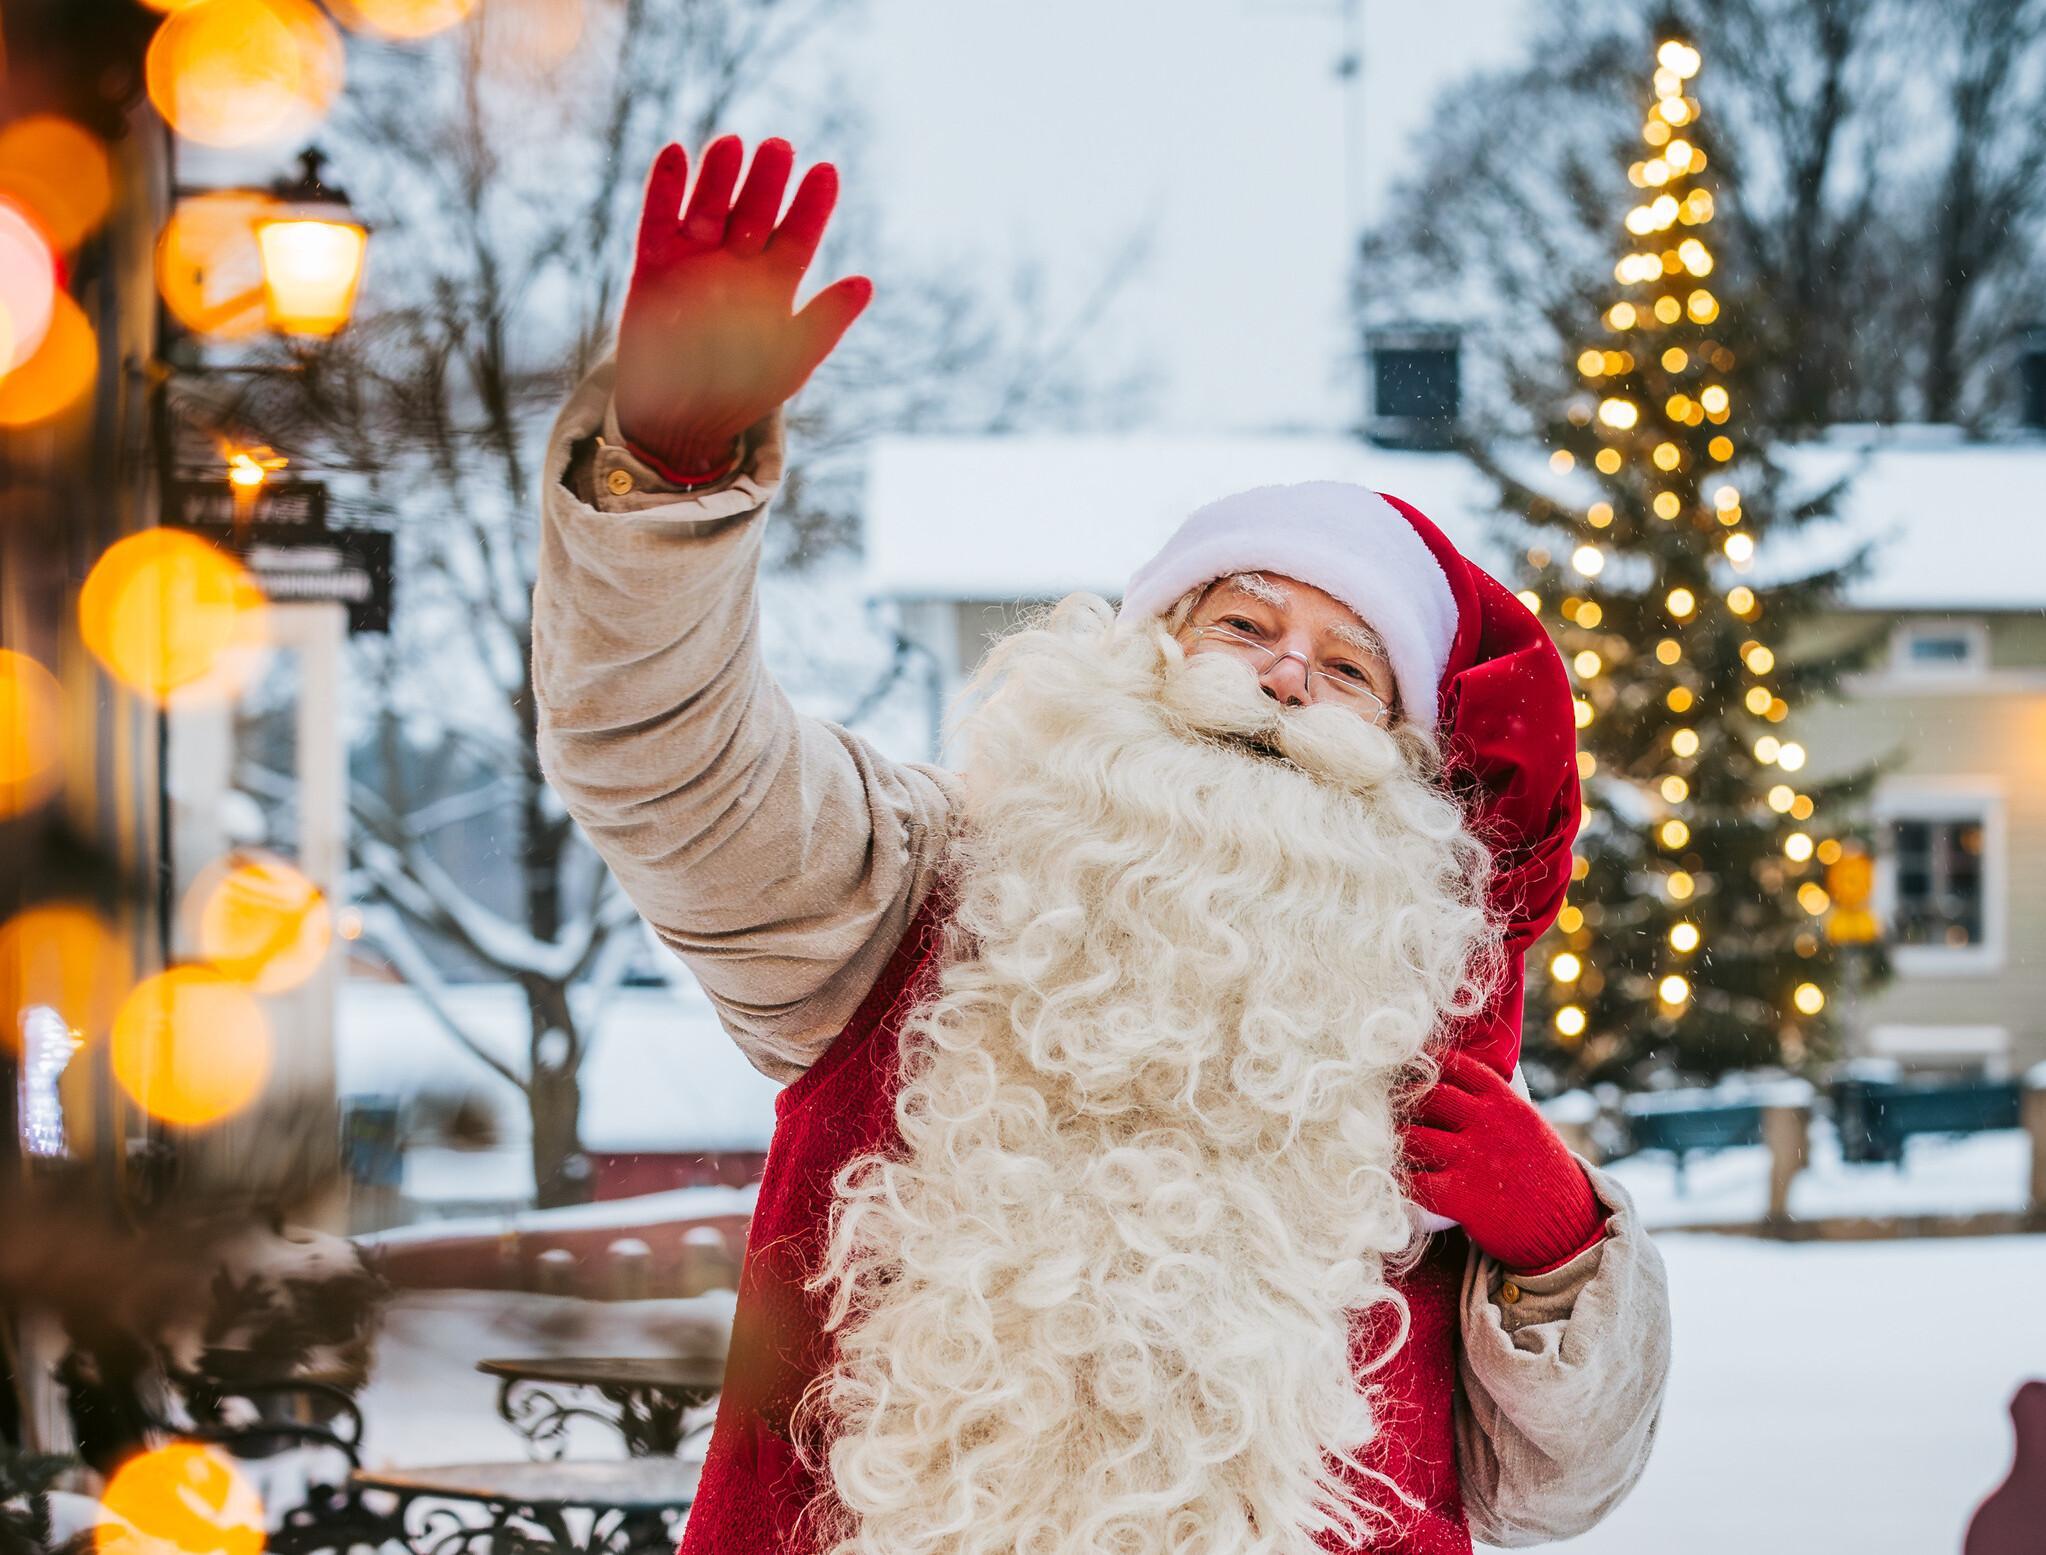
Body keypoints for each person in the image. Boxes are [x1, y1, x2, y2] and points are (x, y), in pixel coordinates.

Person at [533, 134, 1672, 1555]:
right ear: (1137, 661)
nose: (1278, 679)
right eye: (1242, 627)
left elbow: (1556, 1493)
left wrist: (1558, 1250)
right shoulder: (904, 903)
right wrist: (663, 478)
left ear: (1408, 765)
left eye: (1348, 668)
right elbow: (664, 761)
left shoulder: (1407, 1034)